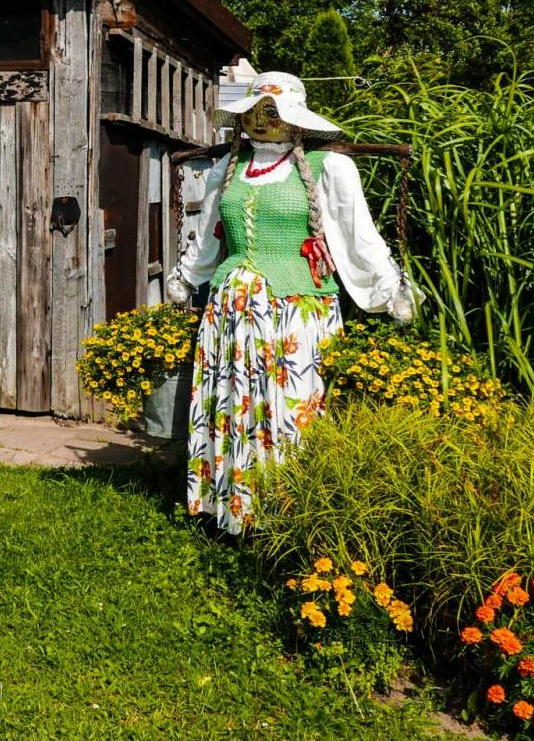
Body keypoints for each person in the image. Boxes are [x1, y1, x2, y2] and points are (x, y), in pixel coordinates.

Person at [164, 71, 415, 535]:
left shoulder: (328, 167)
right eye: (253, 112)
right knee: (236, 403)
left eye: (272, 112)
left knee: (291, 403)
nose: (261, 120)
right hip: (231, 311)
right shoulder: (229, 167)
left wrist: (390, 286)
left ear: (296, 119)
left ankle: (293, 510)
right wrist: (186, 277)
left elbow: (358, 234)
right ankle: (233, 508)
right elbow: (208, 236)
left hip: (294, 311)